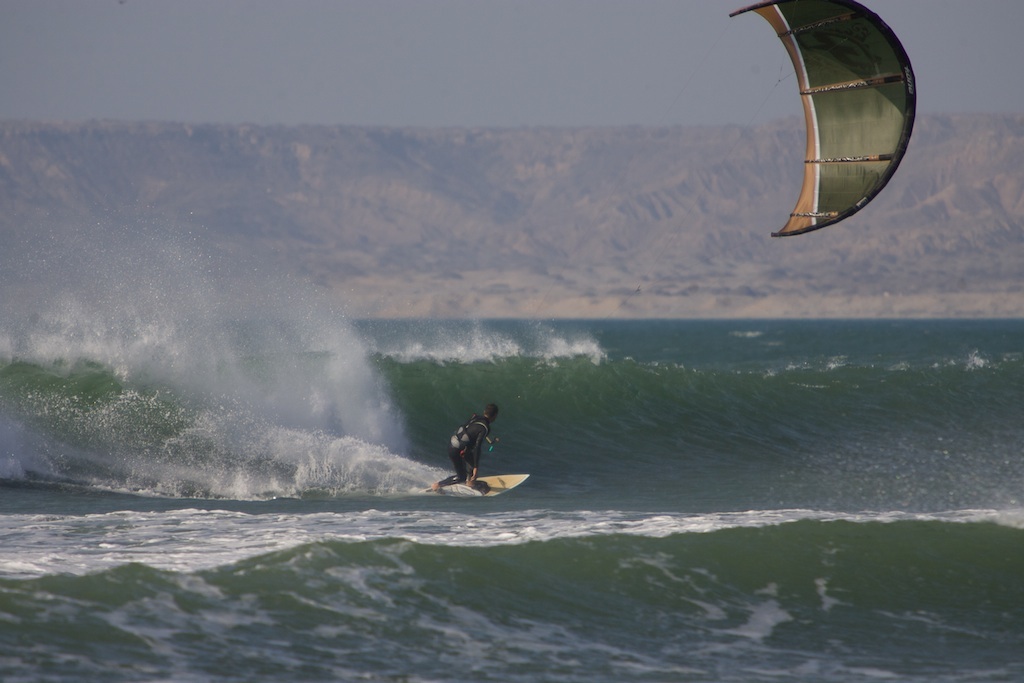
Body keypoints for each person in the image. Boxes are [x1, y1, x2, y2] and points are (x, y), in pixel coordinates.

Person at [432, 403, 498, 493]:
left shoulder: (476, 417)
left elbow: (470, 430)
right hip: (456, 450)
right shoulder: (485, 428)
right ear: (494, 416)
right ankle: (438, 485)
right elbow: (477, 447)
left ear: (484, 412)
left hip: (454, 443)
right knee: (462, 476)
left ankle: (469, 483)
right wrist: (476, 467)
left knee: (469, 458)